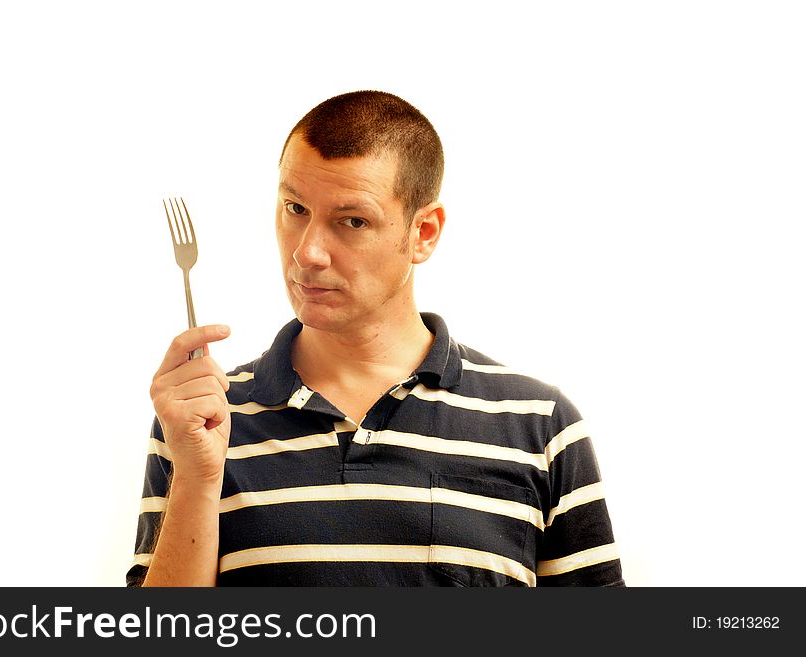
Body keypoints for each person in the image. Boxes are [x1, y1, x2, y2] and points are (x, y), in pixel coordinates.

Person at [127, 90, 625, 587]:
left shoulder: (538, 424)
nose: (308, 253)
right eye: (295, 208)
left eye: (352, 221)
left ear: (423, 232)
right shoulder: (204, 417)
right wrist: (196, 478)